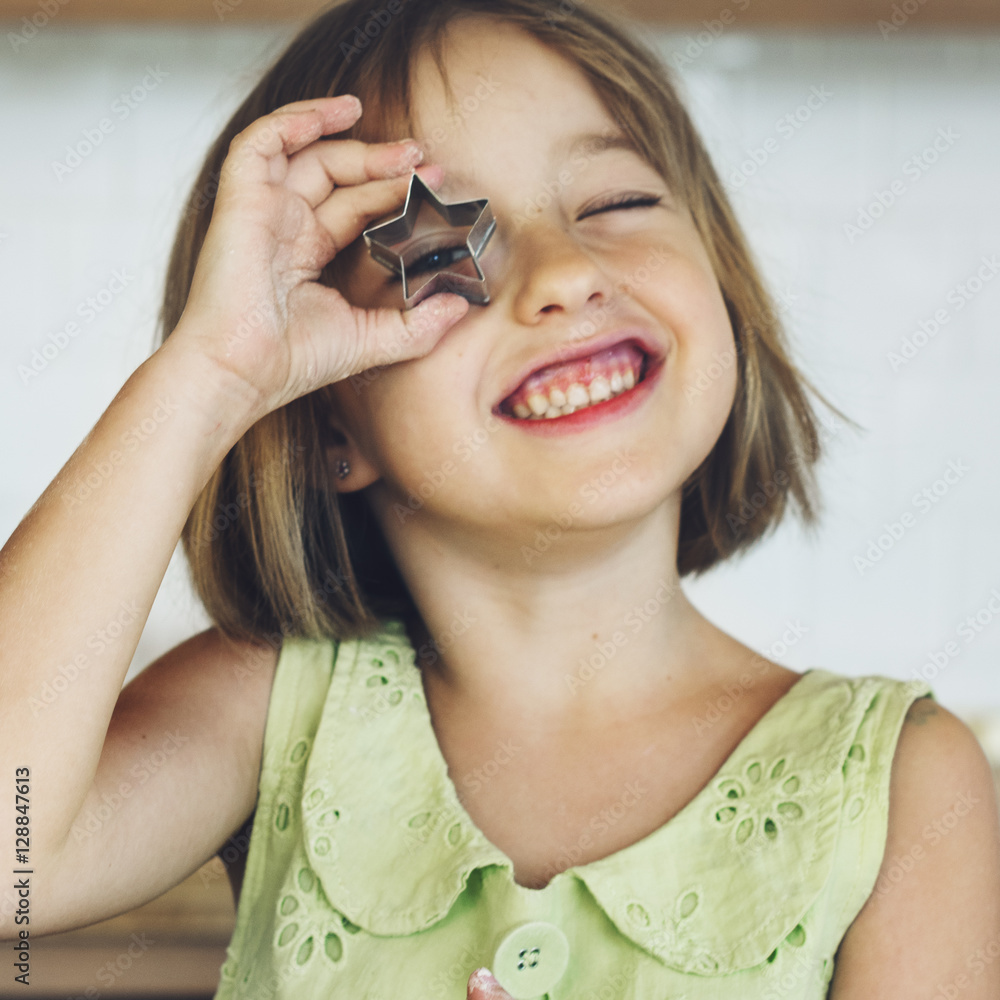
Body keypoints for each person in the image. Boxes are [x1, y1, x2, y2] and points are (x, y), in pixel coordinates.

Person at [2, 0, 998, 997]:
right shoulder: (269, 706)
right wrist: (212, 373)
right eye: (439, 253)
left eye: (614, 202)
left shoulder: (904, 786)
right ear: (328, 420)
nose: (564, 272)